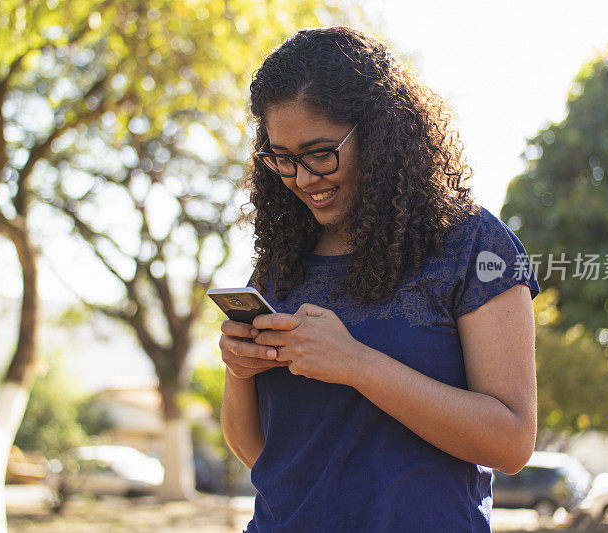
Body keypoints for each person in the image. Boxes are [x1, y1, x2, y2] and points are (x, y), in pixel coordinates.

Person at [219, 26, 541, 532]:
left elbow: (512, 442)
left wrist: (355, 364)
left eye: (320, 153)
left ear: (380, 131)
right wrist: (240, 372)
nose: (302, 178)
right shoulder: (282, 262)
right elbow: (261, 453)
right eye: (282, 158)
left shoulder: (473, 245)